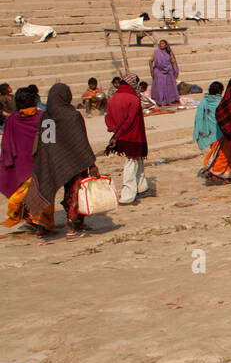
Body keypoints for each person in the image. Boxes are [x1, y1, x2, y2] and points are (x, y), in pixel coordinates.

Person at [22, 84, 98, 239]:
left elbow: (44, 140)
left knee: (45, 189)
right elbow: (80, 142)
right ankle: (72, 228)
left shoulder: (45, 116)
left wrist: (44, 159)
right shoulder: (72, 115)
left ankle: (42, 227)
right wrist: (91, 163)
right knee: (74, 193)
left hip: (49, 160)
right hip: (72, 161)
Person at [105, 73, 150, 205]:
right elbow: (130, 120)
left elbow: (108, 117)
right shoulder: (134, 99)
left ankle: (142, 187)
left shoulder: (113, 98)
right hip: (132, 135)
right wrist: (119, 133)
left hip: (119, 134)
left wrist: (114, 130)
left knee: (138, 160)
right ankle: (127, 195)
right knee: (131, 163)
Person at [1, 86, 41, 210]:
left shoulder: (11, 120)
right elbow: (51, 142)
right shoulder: (44, 117)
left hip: (21, 165)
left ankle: (31, 219)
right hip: (41, 163)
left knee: (23, 193)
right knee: (41, 192)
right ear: (35, 101)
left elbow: (6, 146)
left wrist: (7, 161)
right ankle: (41, 223)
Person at [194, 81, 231, 184]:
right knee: (224, 153)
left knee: (214, 151)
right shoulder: (221, 102)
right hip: (222, 132)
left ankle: (211, 169)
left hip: (210, 133)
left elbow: (199, 119)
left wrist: (199, 133)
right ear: (220, 91)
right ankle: (219, 173)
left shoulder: (204, 102)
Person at [150, 40, 181, 106]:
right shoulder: (156, 52)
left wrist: (175, 71)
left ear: (166, 45)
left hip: (168, 71)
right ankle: (160, 101)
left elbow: (173, 62)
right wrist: (151, 70)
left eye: (163, 44)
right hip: (158, 71)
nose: (161, 45)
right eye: (160, 44)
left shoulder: (169, 53)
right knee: (159, 86)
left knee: (169, 86)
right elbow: (150, 61)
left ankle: (170, 100)